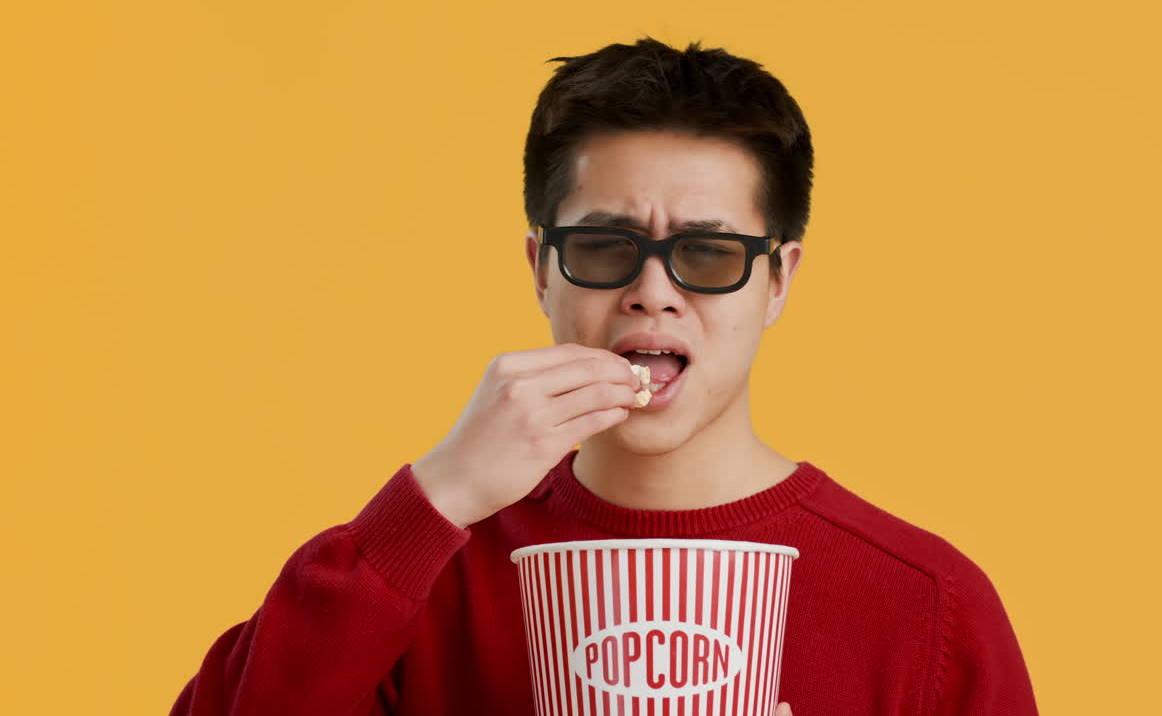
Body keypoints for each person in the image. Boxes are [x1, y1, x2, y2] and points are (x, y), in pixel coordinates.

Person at [170, 37, 1038, 715]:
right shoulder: (423, 582)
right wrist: (434, 499)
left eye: (708, 253)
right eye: (602, 246)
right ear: (541, 269)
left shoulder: (928, 607)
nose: (652, 291)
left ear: (778, 281)